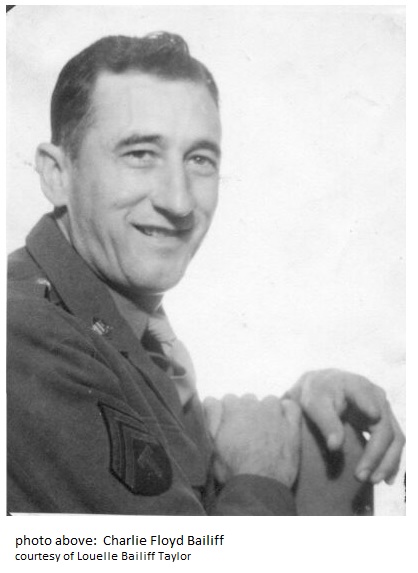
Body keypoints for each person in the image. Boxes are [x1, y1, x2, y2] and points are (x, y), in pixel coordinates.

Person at [7, 32, 404, 515]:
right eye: (140, 154)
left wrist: (300, 413)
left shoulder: (117, 324)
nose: (178, 201)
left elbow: (161, 478)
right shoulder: (25, 337)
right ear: (56, 174)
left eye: (199, 160)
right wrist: (259, 475)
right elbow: (171, 552)